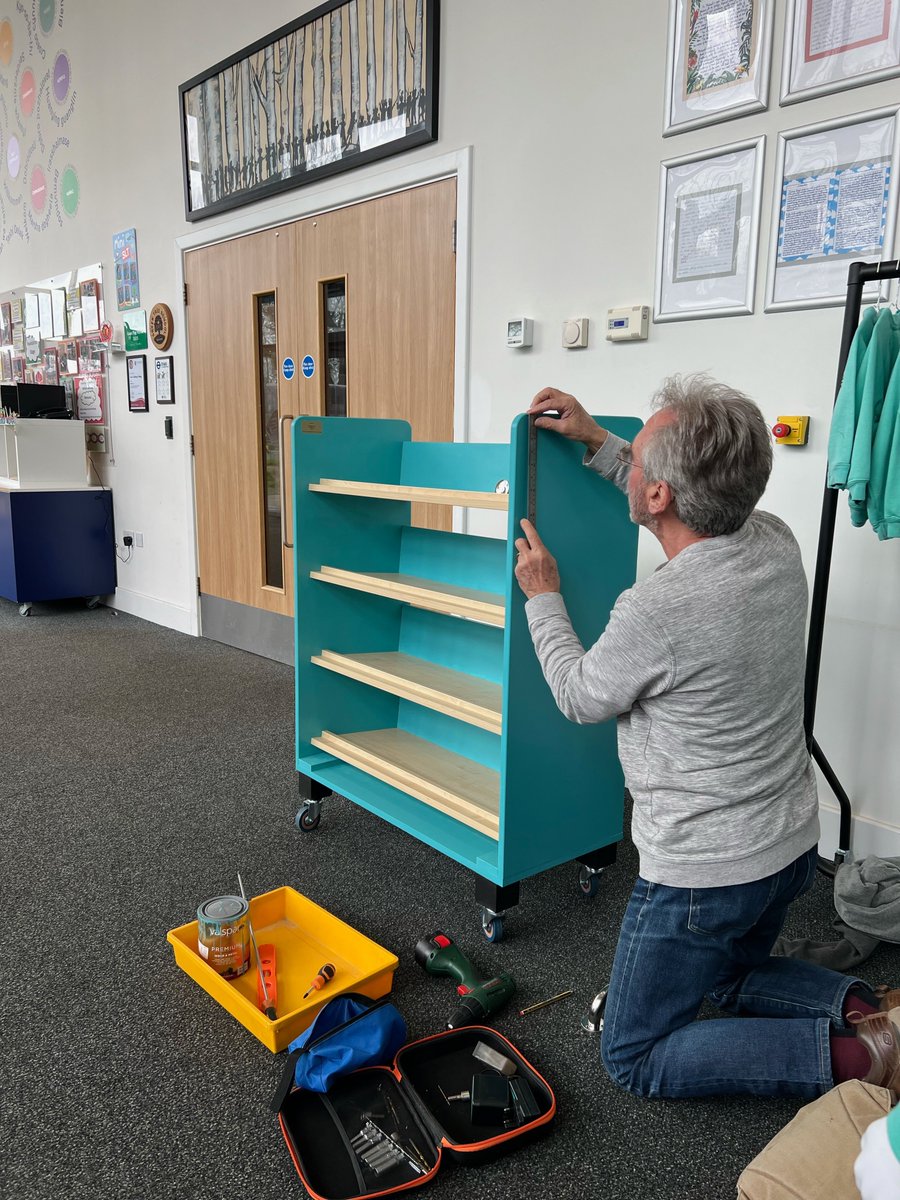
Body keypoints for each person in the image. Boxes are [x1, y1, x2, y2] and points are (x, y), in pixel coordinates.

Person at [513, 376, 899, 1100]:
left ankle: (863, 1062)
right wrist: (597, 440)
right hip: (789, 844)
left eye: (639, 459)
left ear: (658, 496)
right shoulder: (774, 540)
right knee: (731, 976)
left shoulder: (656, 609)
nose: (631, 464)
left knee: (632, 1054)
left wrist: (544, 596)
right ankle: (866, 1014)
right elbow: (668, 478)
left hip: (704, 876)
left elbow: (578, 694)